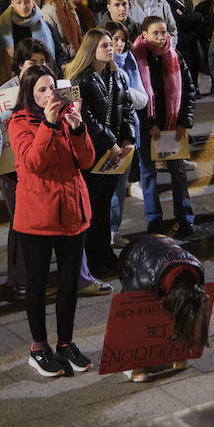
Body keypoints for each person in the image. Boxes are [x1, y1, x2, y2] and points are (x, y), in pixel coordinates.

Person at [7, 63, 96, 378]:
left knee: (69, 285)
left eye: (51, 88)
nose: (49, 95)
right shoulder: (19, 123)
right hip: (38, 219)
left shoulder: (67, 116)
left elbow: (86, 160)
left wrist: (77, 129)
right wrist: (48, 124)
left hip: (73, 214)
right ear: (30, 95)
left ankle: (65, 343)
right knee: (37, 284)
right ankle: (38, 346)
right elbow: (34, 163)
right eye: (41, 90)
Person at [64, 29, 136, 277]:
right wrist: (109, 142)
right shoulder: (79, 80)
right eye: (104, 45)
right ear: (91, 49)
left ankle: (106, 253)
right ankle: (93, 258)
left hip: (113, 152)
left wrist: (128, 137)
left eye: (111, 45)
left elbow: (127, 108)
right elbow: (83, 116)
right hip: (92, 152)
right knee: (92, 207)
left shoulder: (118, 75)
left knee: (105, 204)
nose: (110, 48)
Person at [132, 16, 198, 237]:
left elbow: (189, 90)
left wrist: (183, 122)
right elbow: (135, 95)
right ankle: (154, 221)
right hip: (147, 127)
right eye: (156, 33)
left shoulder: (175, 54)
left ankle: (186, 218)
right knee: (148, 173)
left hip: (171, 126)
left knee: (177, 172)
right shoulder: (137, 58)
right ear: (144, 35)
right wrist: (149, 124)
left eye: (164, 32)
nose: (161, 37)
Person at [117, 233, 211, 383]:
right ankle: (133, 366)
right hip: (131, 257)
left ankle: (178, 353)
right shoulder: (144, 280)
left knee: (187, 309)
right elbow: (126, 313)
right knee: (142, 314)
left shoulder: (197, 270)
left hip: (162, 246)